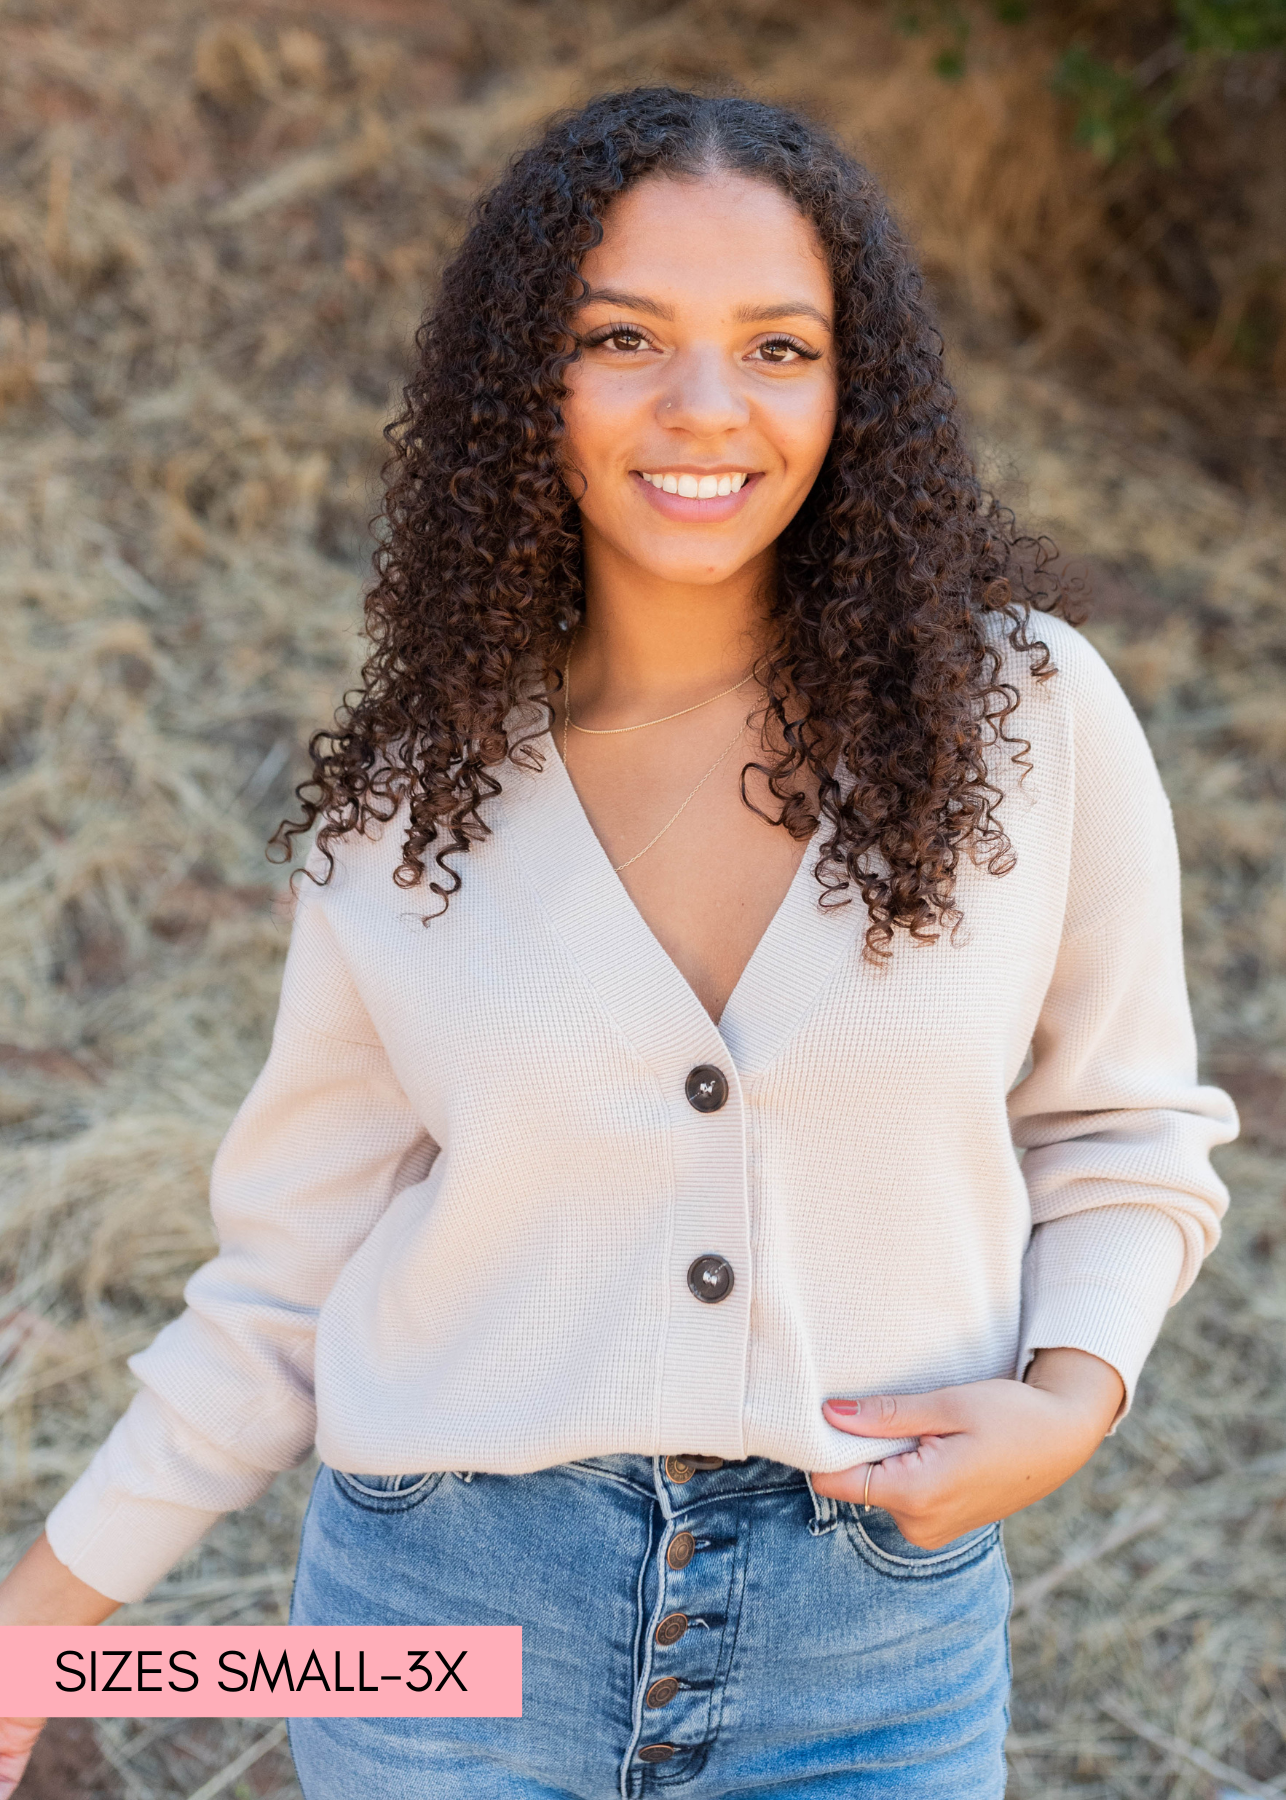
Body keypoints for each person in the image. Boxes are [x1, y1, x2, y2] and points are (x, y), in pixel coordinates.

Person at [0, 87, 1237, 1800]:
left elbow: (1122, 1130)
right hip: (437, 1636)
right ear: (530, 381)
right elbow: (288, 1280)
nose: (705, 406)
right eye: (622, 336)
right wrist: (43, 1637)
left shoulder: (1021, 715)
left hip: (870, 1650)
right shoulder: (412, 797)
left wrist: (1073, 1396)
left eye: (778, 346)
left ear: (853, 383)